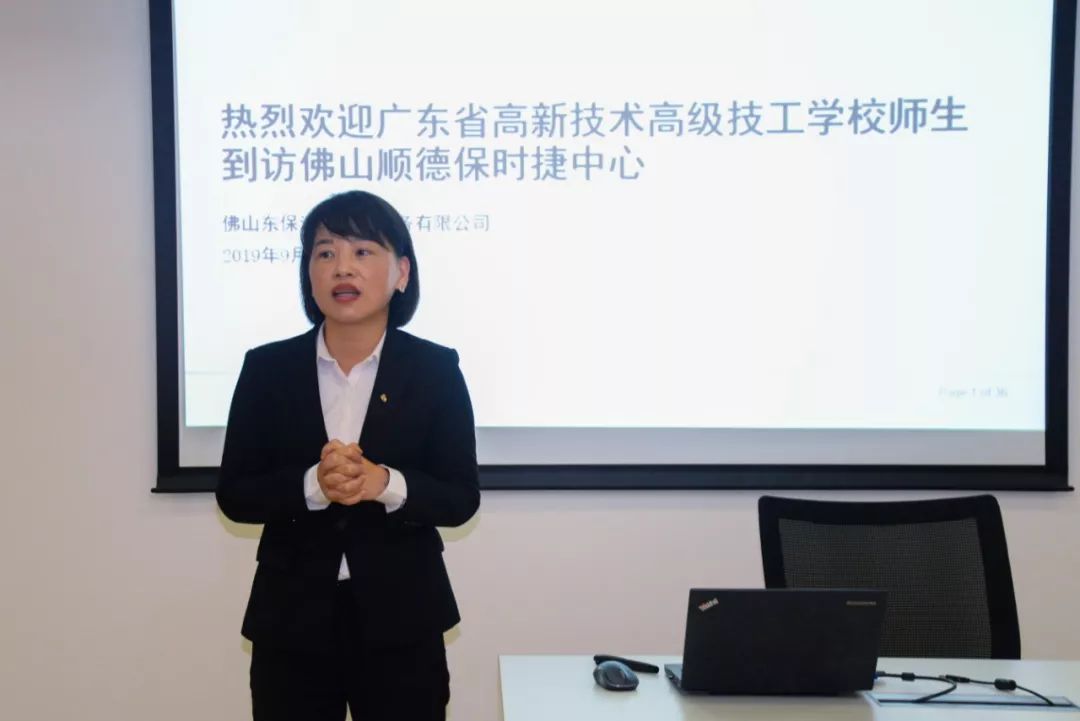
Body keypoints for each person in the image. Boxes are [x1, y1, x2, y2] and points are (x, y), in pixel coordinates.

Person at [216, 189, 480, 721]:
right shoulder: (267, 369)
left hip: (403, 619)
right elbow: (235, 494)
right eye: (325, 252)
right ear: (308, 274)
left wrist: (385, 484)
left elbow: (459, 498)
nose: (342, 267)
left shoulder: (435, 370)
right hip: (291, 621)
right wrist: (313, 484)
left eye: (363, 251)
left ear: (401, 272)